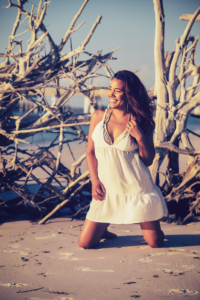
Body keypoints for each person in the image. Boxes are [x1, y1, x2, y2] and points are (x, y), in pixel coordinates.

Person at [78, 70, 168, 249]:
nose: (111, 94)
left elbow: (148, 160)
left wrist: (140, 137)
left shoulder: (141, 121)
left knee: (155, 243)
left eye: (117, 91)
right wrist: (94, 181)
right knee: (85, 243)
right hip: (107, 190)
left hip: (136, 188)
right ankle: (103, 228)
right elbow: (90, 152)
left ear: (129, 94)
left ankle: (156, 229)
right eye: (110, 89)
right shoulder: (98, 116)